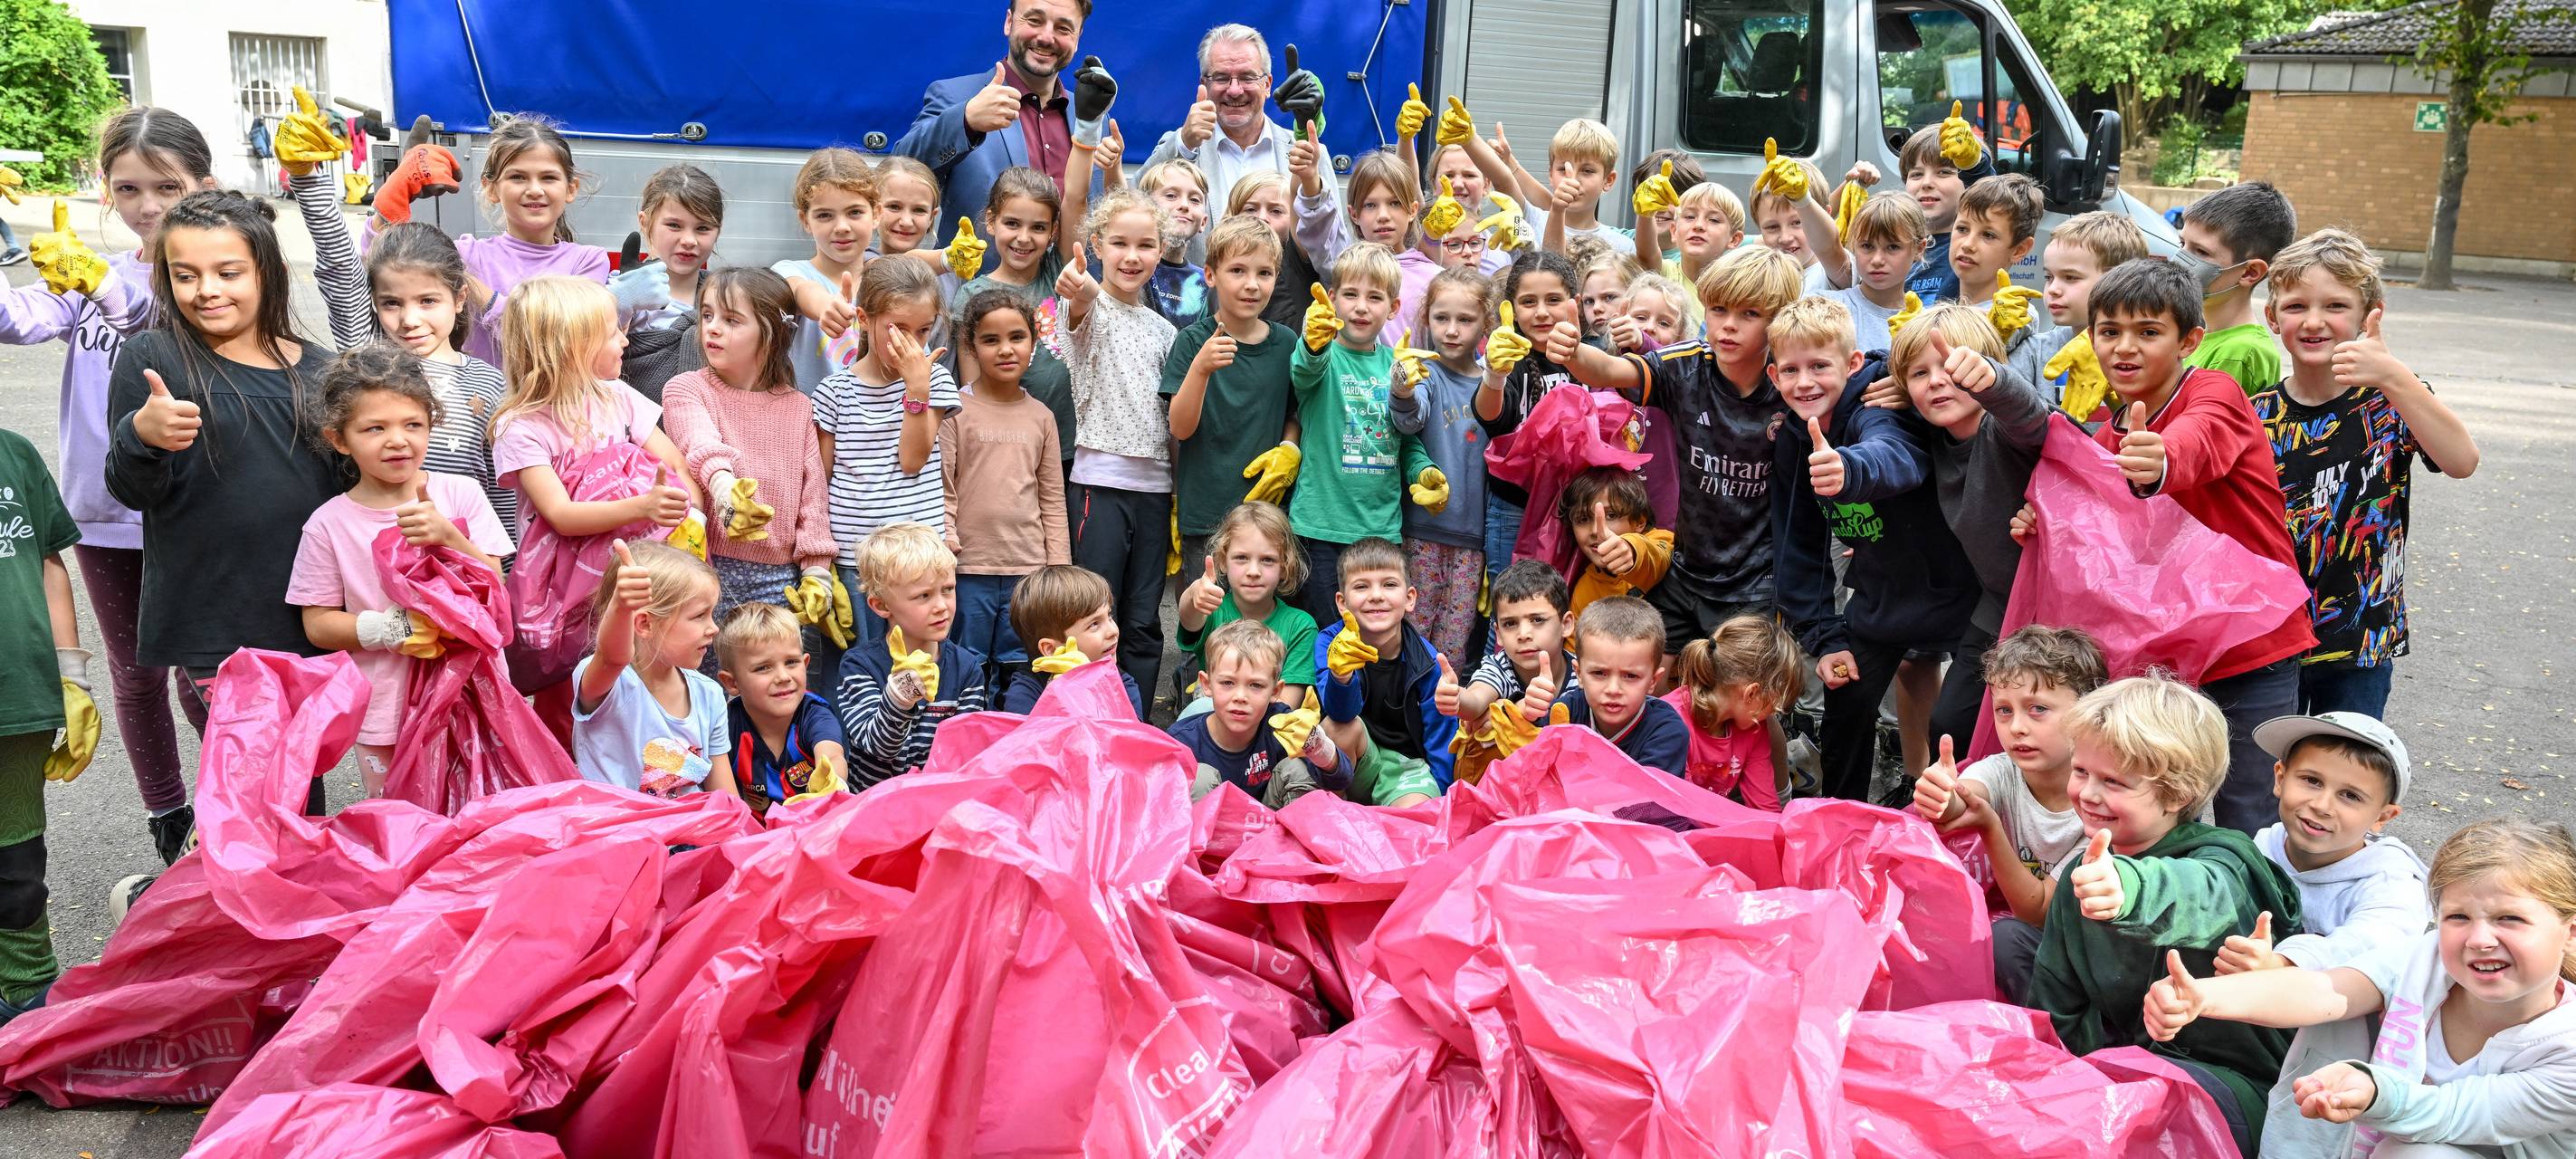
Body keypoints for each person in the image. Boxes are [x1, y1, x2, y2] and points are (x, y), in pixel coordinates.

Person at [0, 107, 215, 862]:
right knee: (135, 674)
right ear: (106, 190)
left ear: (203, 186)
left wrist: (106, 290)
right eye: (128, 189)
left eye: (166, 186)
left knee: (204, 675)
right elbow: (17, 319)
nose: (147, 206)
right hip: (101, 513)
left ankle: (232, 812)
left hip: (191, 508)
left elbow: (158, 328)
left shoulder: (212, 277)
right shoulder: (86, 273)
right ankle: (168, 817)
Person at [2142, 819, 2576, 1159]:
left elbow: (2455, 1112)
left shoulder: (2567, 1049)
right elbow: (2325, 991)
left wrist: (2373, 1089)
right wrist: (2203, 997)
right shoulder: (2424, 959)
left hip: (2423, 1141)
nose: (2479, 939)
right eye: (2458, 917)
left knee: (2418, 1155)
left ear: (2570, 932)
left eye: (2510, 919)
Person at [2080, 258, 2316, 834]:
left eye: (2148, 332)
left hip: (2252, 647)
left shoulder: (2215, 391)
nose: (2125, 348)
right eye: (2110, 331)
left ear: (2189, 340)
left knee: (2250, 815)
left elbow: (2198, 440)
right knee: (2159, 814)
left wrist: (2161, 458)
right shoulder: (2107, 431)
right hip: (2171, 658)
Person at [105, 191, 343, 761]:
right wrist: (142, 436)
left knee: (298, 771)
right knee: (255, 770)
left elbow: (350, 492)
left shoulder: (322, 370)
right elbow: (131, 489)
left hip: (312, 615)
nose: (206, 290)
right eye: (185, 275)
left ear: (269, 272)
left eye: (228, 272)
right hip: (211, 619)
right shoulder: (154, 358)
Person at [2022, 675, 2303, 1155]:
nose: (2087, 793)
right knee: (2010, 942)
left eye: (2113, 781)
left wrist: (2128, 889)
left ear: (2177, 795)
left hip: (2240, 1087)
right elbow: (2057, 1007)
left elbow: (2195, 894)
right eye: (2081, 770)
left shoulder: (2227, 862)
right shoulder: (2081, 878)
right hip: (2135, 1062)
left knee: (2155, 1089)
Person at [2253, 231, 2480, 718]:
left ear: (2369, 314)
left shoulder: (2392, 400)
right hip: (2269, 635)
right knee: (2263, 760)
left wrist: (2394, 375)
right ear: (2272, 317)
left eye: (2335, 305)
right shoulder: (2256, 413)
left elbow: (2462, 461)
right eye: (2295, 306)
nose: (2314, 321)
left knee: (2344, 761)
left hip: (2362, 636)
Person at [1553, 245, 1803, 666]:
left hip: (1754, 584)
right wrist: (1574, 351)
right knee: (1649, 678)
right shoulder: (1685, 366)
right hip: (1683, 572)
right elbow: (1609, 370)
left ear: (1778, 321)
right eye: (1719, 309)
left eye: (1749, 314)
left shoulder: (1792, 381)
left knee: (1738, 692)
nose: (1728, 325)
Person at [1772, 295, 1974, 801]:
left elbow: (1899, 454)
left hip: (1961, 592)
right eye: (1791, 370)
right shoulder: (1792, 436)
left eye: (1820, 366)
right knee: (1846, 701)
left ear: (1852, 363)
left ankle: (1961, 812)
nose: (1805, 382)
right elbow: (1798, 543)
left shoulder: (1878, 404)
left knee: (1956, 722)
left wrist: (1848, 469)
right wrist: (1825, 637)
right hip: (1881, 596)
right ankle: (1839, 816)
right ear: (1774, 376)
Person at [288, 343, 512, 797]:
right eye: (375, 428)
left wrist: (449, 536)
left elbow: (495, 588)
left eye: (413, 424)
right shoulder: (329, 524)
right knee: (399, 815)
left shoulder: (461, 494)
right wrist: (391, 628)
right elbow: (318, 624)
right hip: (385, 711)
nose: (397, 440)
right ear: (339, 439)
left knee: (483, 812)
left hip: (472, 694)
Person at [489, 276, 695, 737]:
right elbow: (562, 516)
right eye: (612, 331)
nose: (625, 340)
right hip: (565, 595)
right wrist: (645, 507)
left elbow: (674, 466)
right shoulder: (520, 427)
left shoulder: (619, 398)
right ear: (572, 348)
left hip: (634, 575)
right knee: (569, 700)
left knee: (643, 684)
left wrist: (691, 516)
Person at [661, 268, 839, 664]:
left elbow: (813, 499)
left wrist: (817, 573)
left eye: (731, 319)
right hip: (705, 571)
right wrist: (725, 490)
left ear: (770, 332)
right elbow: (699, 442)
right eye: (707, 315)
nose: (712, 328)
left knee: (768, 687)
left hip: (780, 582)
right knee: (707, 683)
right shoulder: (686, 388)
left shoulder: (799, 407)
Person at [1056, 189, 1180, 694]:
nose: (1132, 256)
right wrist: (1081, 287)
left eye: (1145, 245)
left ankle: (1137, 720)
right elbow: (1081, 305)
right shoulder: (1089, 307)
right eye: (1119, 243)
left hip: (1155, 493)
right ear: (1097, 247)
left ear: (1161, 251)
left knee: (1143, 619)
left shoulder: (1164, 331)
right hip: (1100, 489)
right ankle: (1086, 716)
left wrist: (1176, 497)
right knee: (1091, 614)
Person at [371, 115, 609, 369]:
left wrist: (479, 291)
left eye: (548, 177)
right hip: (472, 395)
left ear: (571, 188)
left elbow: (560, 339)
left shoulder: (588, 262)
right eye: (518, 177)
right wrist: (390, 204)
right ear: (491, 188)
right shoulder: (467, 254)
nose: (534, 189)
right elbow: (383, 273)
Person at [1914, 624, 2109, 930]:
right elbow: (1964, 799)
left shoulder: (2105, 801)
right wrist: (1941, 796)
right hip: (2037, 922)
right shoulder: (2003, 770)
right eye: (2004, 710)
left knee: (2005, 937)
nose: (2017, 727)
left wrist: (1990, 827)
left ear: (2088, 712)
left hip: (2086, 937)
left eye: (2038, 709)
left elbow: (2039, 913)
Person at [1286, 244, 1441, 624]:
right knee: (1326, 632)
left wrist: (1422, 470)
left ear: (1393, 307)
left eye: (1374, 297)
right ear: (1332, 298)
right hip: (1321, 529)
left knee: (1376, 631)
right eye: (1350, 295)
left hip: (1381, 530)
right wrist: (1311, 343)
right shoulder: (1322, 354)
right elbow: (1303, 371)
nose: (1361, 307)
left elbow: (1406, 437)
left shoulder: (1398, 362)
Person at [815, 259, 957, 647]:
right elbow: (821, 481)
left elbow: (912, 460)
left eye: (923, 330)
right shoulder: (834, 392)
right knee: (858, 663)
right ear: (864, 319)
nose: (913, 344)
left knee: (920, 661)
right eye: (899, 329)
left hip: (918, 561)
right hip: (853, 559)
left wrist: (916, 389)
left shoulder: (934, 379)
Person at [2224, 712, 2429, 979]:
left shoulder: (2392, 885)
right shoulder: (2258, 848)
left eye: (2350, 796)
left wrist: (2283, 963)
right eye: (2312, 781)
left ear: (2382, 817)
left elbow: (2373, 941)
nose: (2321, 806)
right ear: (2280, 778)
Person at [0, 420, 89, 1025]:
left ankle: (26, 988)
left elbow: (48, 564)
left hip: (18, 694)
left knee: (16, 860)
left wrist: (72, 676)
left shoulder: (14, 453)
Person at [942, 291, 1070, 682]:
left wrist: (1058, 567)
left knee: (1022, 666)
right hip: (969, 567)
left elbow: (1052, 497)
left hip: (1028, 571)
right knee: (967, 663)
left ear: (1034, 341)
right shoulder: (954, 410)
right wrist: (946, 546)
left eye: (1017, 337)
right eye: (990, 340)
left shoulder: (1042, 417)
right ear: (971, 346)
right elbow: (944, 488)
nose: (1005, 349)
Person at [891, 0, 1092, 242]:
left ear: (1077, 38)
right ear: (1009, 22)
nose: (1047, 37)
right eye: (1035, 21)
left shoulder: (1091, 117)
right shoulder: (956, 97)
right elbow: (896, 172)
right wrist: (966, 121)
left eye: (1063, 28)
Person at [1164, 216, 1296, 574]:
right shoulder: (1192, 341)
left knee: (1259, 609)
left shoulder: (1286, 343)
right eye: (1237, 270)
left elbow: (1294, 414)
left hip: (1267, 517)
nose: (1251, 284)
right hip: (1206, 518)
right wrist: (1201, 369)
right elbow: (1180, 428)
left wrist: (1290, 448)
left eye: (1264, 273)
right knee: (1206, 607)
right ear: (1210, 275)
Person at [575, 540, 734, 800]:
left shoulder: (710, 694)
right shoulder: (611, 685)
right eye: (699, 616)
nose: (714, 628)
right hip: (617, 824)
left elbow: (725, 798)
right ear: (645, 624)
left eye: (712, 614)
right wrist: (621, 608)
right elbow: (612, 658)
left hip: (691, 824)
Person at [1391, 267, 1493, 670]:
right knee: (1412, 632)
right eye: (1441, 318)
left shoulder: (1493, 381)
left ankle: (1444, 706)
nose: (1451, 330)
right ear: (1426, 318)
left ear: (1485, 323)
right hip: (1421, 530)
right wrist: (1402, 389)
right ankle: (1408, 702)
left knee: (1454, 642)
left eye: (1465, 320)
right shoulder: (1426, 372)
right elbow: (1410, 418)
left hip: (1472, 538)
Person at [835, 522, 988, 785]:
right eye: (924, 596)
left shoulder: (966, 668)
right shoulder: (859, 666)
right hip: (874, 800)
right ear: (881, 605)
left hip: (937, 796)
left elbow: (964, 753)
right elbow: (879, 748)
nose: (941, 606)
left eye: (948, 589)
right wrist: (899, 697)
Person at [1473, 250, 1586, 585]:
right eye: (1528, 302)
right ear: (1510, 308)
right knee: (1513, 602)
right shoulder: (1509, 355)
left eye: (1553, 300)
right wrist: (1494, 374)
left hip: (1572, 507)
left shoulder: (1589, 357)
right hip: (1513, 507)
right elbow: (1491, 418)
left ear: (1574, 303)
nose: (1541, 312)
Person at [1313, 538, 1447, 802]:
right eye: (1362, 586)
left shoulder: (1427, 660)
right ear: (1342, 603)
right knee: (1337, 727)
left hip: (1406, 767)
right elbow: (1339, 713)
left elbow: (1440, 735)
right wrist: (1341, 677)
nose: (1376, 595)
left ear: (1409, 598)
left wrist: (1442, 799)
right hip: (1353, 761)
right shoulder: (1330, 643)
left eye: (1389, 584)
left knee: (1418, 815)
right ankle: (1334, 812)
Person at [1169, 619, 1346, 807]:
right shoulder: (1181, 741)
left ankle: (1299, 826)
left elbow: (1341, 782)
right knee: (1198, 777)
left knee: (1298, 767)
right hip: (1206, 824)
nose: (1240, 696)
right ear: (1206, 684)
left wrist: (1318, 747)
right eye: (1228, 683)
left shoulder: (1283, 726)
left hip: (1272, 821)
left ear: (1275, 691)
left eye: (1255, 685)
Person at [1145, 24, 1301, 216]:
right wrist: (1184, 143)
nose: (1234, 90)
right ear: (1204, 84)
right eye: (1221, 78)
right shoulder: (1183, 145)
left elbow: (1329, 231)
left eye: (1247, 77)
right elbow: (1135, 203)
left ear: (1267, 85)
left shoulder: (1304, 149)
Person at [715, 602, 848, 818]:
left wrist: (833, 784)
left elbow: (832, 757)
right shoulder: (726, 725)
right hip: (754, 835)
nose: (783, 677)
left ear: (805, 664)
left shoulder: (814, 714)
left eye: (791, 662)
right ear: (732, 682)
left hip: (816, 824)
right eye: (763, 668)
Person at [1175, 502, 1315, 702]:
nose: (1253, 571)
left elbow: (1287, 705)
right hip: (1212, 716)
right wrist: (1194, 594)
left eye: (1267, 560)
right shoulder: (1214, 610)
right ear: (1222, 561)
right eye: (1241, 558)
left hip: (1273, 719)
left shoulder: (1300, 626)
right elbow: (1189, 618)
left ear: (1285, 566)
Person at [1665, 613, 1802, 809]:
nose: (1773, 714)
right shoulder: (1671, 722)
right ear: (1751, 693)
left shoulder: (1754, 729)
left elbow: (1765, 808)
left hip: (1713, 821)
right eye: (1775, 706)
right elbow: (1681, 811)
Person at [2021, 209, 2150, 418]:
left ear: (2119, 280)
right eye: (2048, 277)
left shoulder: (2150, 353)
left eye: (2070, 277)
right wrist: (2000, 339)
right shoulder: (2035, 351)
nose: (2053, 289)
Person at [613, 164, 724, 400]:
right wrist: (618, 303)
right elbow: (580, 353)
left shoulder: (728, 297)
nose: (689, 240)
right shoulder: (616, 288)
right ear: (644, 222)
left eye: (703, 228)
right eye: (674, 225)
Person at [2177, 180, 2297, 396]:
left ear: (2249, 272)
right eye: (2182, 244)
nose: (2180, 259)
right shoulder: (2205, 333)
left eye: (2201, 252)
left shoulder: (2239, 353)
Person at [1550, 595, 1689, 778]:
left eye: (1631, 676)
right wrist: (1529, 714)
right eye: (1599, 673)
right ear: (1579, 674)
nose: (1613, 689)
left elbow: (1645, 793)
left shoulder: (1667, 732)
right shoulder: (1565, 712)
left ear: (1653, 681)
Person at [998, 563, 1144, 716]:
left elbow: (1130, 730)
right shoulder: (1026, 690)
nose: (1112, 631)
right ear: (1051, 649)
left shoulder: (1123, 684)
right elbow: (1033, 731)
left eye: (1109, 615)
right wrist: (1070, 690)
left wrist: (1091, 686)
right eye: (1094, 624)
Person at [1898, 103, 1999, 302]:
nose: (1926, 183)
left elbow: (1993, 198)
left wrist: (1974, 165)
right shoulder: (1894, 246)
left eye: (1944, 172)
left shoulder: (1971, 247)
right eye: (1916, 174)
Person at [1815, 193, 1929, 356]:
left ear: (1919, 248)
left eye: (1892, 247)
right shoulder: (1823, 307)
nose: (1877, 260)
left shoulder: (1928, 324)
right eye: (1867, 246)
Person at [1560, 467, 1671, 622]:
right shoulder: (1585, 592)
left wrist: (1631, 550)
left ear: (1639, 522)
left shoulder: (1663, 540)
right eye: (1583, 519)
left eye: (1611, 515)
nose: (1596, 531)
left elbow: (1660, 556)